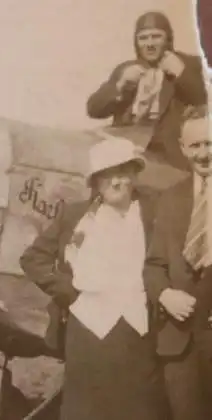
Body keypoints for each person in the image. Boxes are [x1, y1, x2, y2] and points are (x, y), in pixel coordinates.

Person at [20, 135, 167, 420]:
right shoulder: (77, 215)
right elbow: (32, 259)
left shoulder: (153, 212)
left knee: (139, 407)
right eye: (107, 175)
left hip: (139, 332)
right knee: (86, 408)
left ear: (135, 175)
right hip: (87, 330)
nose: (116, 182)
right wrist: (69, 293)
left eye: (123, 173)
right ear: (96, 181)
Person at [143, 105, 212, 420]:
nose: (203, 153)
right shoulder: (171, 198)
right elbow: (154, 265)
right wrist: (165, 295)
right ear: (183, 148)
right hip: (179, 345)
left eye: (209, 143)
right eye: (195, 145)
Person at [86, 11, 208, 170]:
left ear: (168, 39)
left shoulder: (190, 64)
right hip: (127, 146)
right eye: (143, 38)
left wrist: (181, 74)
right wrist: (119, 86)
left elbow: (204, 98)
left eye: (156, 36)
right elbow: (94, 109)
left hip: (168, 153)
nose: (149, 44)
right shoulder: (127, 69)